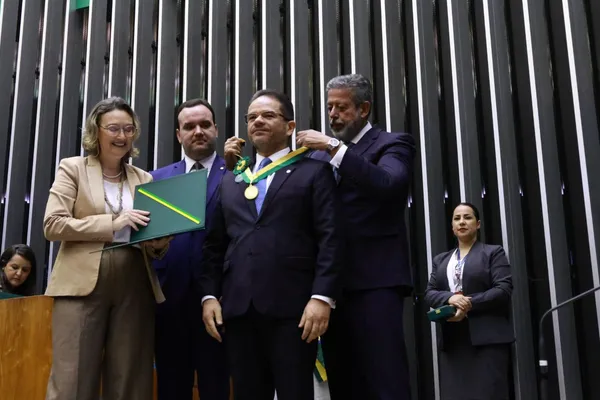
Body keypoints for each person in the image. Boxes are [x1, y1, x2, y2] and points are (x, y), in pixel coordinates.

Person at [199, 89, 342, 400]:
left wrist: (322, 297)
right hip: (238, 310)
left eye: (268, 115)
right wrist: (209, 295)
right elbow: (214, 245)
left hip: (295, 310)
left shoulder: (315, 171)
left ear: (290, 127)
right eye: (252, 117)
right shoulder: (232, 180)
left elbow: (330, 238)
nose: (258, 121)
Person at [296, 73, 415, 399]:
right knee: (343, 381)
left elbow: (388, 185)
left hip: (375, 282)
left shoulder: (392, 143)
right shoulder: (316, 157)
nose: (332, 114)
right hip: (330, 289)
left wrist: (335, 147)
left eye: (342, 107)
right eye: (330, 107)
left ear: (364, 108)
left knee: (384, 378)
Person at [43, 97, 171, 400]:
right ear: (95, 131)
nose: (122, 136)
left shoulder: (145, 178)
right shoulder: (72, 168)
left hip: (135, 282)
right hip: (80, 282)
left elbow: (151, 242)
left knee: (131, 377)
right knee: (72, 377)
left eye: (129, 129)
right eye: (114, 128)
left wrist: (159, 242)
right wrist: (113, 222)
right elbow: (53, 225)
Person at [150, 98, 229, 400]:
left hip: (219, 303)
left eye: (205, 124)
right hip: (168, 304)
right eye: (189, 126)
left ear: (216, 129)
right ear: (178, 134)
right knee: (171, 388)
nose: (198, 131)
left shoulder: (237, 175)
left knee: (217, 387)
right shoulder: (156, 180)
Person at [424, 202, 513, 400]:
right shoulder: (441, 260)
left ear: (478, 224)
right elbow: (430, 294)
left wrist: (468, 303)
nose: (462, 222)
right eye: (457, 218)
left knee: (489, 394)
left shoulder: (492, 253)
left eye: (467, 217)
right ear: (452, 227)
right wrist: (451, 298)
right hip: (454, 342)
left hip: (487, 340)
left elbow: (503, 289)